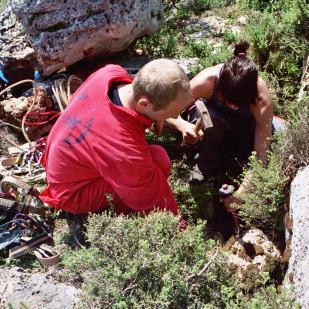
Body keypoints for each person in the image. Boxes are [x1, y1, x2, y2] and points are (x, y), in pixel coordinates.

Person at [40, 59, 192, 216]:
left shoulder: (109, 74)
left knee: (144, 163)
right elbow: (150, 198)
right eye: (172, 113)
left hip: (63, 163)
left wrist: (167, 118)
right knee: (159, 159)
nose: (175, 116)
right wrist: (176, 225)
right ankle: (125, 215)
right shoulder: (124, 148)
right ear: (144, 104)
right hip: (73, 193)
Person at [167, 40, 284, 191]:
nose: (234, 106)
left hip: (244, 130)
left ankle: (237, 160)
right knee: (212, 119)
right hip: (212, 127)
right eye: (227, 99)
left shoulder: (261, 99)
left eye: (239, 102)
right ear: (220, 87)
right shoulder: (206, 81)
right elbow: (166, 110)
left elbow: (261, 154)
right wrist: (182, 125)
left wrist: (243, 193)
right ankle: (206, 163)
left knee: (280, 136)